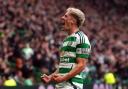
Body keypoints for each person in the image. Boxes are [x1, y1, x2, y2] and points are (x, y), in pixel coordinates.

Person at [41, 7, 91, 89]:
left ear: (73, 21)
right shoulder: (66, 40)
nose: (62, 18)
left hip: (71, 85)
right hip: (62, 85)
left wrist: (63, 78)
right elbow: (63, 65)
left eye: (66, 16)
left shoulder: (81, 38)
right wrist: (50, 77)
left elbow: (81, 65)